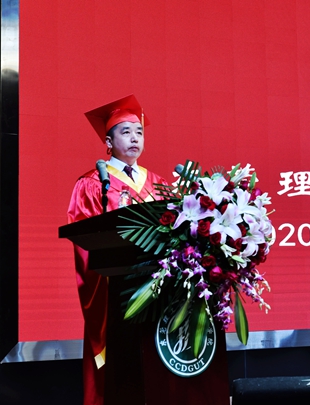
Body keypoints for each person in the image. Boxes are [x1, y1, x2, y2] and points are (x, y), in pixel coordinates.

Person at [67, 95, 168, 405]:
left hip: (156, 291)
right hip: (116, 293)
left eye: (139, 132)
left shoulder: (158, 183)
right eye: (126, 132)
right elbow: (84, 243)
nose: (135, 138)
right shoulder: (93, 184)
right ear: (108, 142)